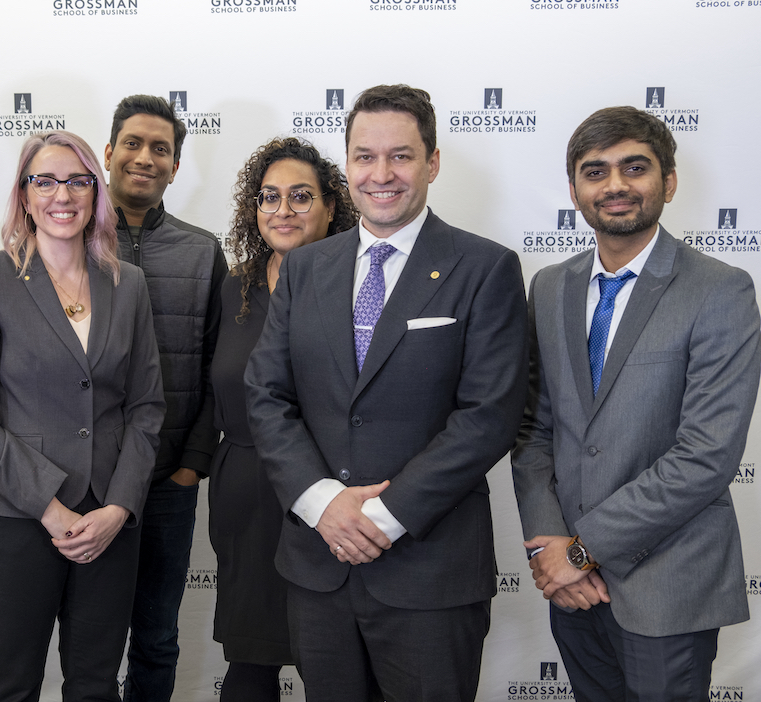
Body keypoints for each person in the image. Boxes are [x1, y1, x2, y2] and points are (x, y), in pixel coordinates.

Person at [244, 84, 529, 702]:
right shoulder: (305, 268)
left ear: (431, 162)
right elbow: (266, 395)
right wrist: (325, 505)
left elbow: (489, 416)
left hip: (430, 572)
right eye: (364, 156)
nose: (381, 174)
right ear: (347, 164)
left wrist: (378, 516)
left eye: (400, 156)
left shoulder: (485, 268)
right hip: (319, 568)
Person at [512, 106, 760, 702]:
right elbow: (533, 429)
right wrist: (551, 544)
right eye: (595, 172)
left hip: (666, 587)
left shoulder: (720, 290)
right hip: (571, 588)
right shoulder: (549, 287)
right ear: (574, 190)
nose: (615, 185)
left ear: (668, 182)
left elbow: (706, 456)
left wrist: (582, 550)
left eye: (634, 167)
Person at [0, 130, 165, 702]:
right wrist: (50, 508)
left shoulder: (128, 282)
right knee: (11, 685)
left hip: (108, 519)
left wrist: (119, 506)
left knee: (94, 685)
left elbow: (146, 407)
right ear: (24, 194)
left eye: (76, 180)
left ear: (97, 192)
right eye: (45, 181)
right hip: (15, 518)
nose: (61, 194)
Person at [210, 137, 358, 701]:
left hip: (333, 494)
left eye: (301, 197)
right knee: (251, 661)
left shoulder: (360, 286)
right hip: (246, 495)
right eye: (268, 198)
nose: (283, 210)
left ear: (330, 208)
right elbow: (209, 381)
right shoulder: (234, 288)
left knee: (335, 660)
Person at [105, 94, 226, 701]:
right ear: (108, 153)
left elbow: (217, 367)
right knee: (90, 639)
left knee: (156, 637)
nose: (145, 158)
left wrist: (190, 466)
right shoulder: (64, 237)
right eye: (133, 143)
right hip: (87, 481)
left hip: (166, 482)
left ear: (176, 166)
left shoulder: (203, 251)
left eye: (161, 149)